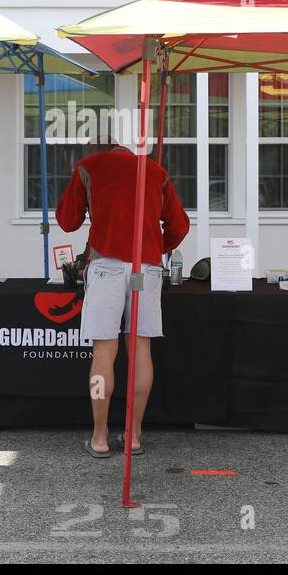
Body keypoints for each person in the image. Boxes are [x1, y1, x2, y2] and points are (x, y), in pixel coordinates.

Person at [56, 138, 189, 458]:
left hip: (106, 269)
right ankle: (134, 436)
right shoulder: (155, 171)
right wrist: (158, 246)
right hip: (147, 269)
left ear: (95, 152)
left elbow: (67, 221)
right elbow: (179, 227)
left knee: (104, 350)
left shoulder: (87, 167)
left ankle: (100, 437)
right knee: (140, 348)